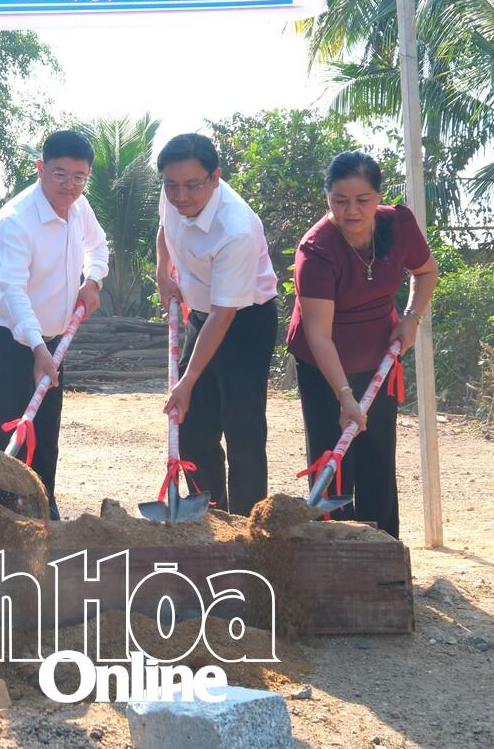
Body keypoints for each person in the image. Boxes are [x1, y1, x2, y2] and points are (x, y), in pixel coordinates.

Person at [285, 151, 438, 537]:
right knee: (331, 456)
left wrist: (411, 318)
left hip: (379, 358)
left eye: (362, 200)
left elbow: (426, 272)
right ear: (328, 199)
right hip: (323, 364)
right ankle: (333, 552)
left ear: (378, 197)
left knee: (377, 456)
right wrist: (344, 396)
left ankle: (383, 552)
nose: (351, 210)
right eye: (339, 201)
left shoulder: (398, 224)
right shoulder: (315, 251)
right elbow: (319, 334)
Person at [0, 129, 110, 520]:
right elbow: (12, 293)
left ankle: (45, 507)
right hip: (7, 339)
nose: (70, 185)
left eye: (80, 176)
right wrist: (37, 349)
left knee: (46, 432)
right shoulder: (15, 221)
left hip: (52, 340)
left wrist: (94, 279)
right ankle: (14, 516)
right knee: (13, 431)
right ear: (40, 168)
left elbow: (98, 247)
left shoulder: (79, 206)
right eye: (60, 174)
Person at [154, 134, 279, 515]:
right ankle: (207, 516)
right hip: (203, 314)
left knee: (242, 430)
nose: (180, 196)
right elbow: (165, 227)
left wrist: (187, 380)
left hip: (245, 322)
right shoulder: (173, 193)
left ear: (215, 177)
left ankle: (245, 526)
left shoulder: (235, 229)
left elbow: (226, 315)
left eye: (192, 185)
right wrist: (164, 272)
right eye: (171, 185)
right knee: (192, 428)